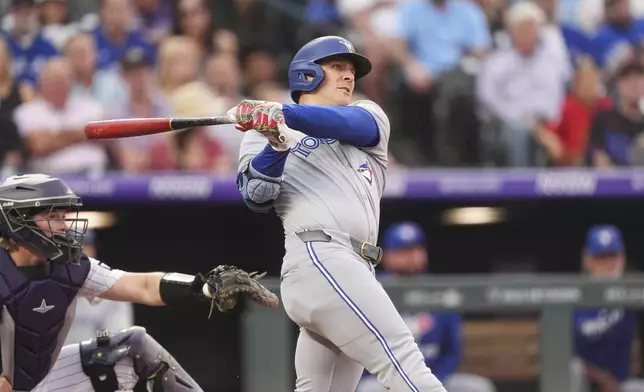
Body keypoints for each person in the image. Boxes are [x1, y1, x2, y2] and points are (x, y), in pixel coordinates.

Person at [229, 36, 447, 392]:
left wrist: (285, 114)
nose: (349, 77)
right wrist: (277, 144)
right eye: (337, 67)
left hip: (355, 267)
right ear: (307, 75)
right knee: (405, 363)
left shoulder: (368, 116)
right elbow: (256, 196)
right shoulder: (259, 136)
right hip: (320, 256)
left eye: (351, 70)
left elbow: (351, 126)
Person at [0, 173, 279, 392]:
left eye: (63, 216)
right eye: (51, 217)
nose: (63, 226)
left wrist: (203, 287)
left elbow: (141, 286)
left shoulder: (70, 267)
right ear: (16, 221)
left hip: (35, 381)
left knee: (131, 348)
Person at [357, 222, 496, 392]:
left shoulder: (440, 290)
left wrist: (430, 382)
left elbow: (452, 352)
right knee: (369, 389)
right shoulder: (371, 289)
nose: (412, 256)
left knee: (477, 388)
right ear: (387, 255)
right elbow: (360, 350)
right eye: (403, 250)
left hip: (434, 378)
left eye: (416, 249)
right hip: (385, 380)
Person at [571, 224, 644, 392]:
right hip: (586, 383)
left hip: (622, 385)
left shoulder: (632, 289)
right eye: (601, 257)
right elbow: (565, 355)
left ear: (622, 258)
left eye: (613, 257)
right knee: (573, 369)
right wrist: (602, 379)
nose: (608, 264)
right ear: (587, 260)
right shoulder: (574, 294)